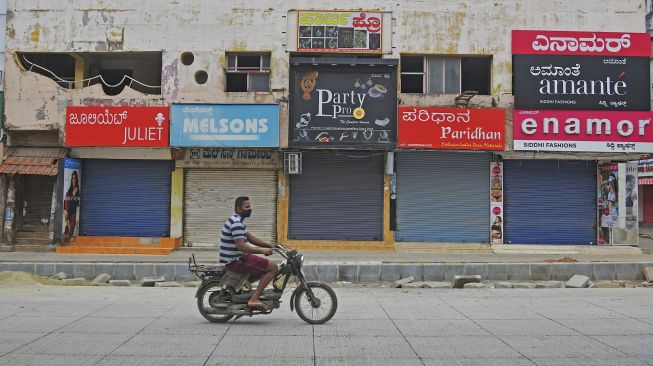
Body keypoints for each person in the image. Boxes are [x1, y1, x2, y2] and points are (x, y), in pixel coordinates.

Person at [220, 196, 277, 311]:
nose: (250, 209)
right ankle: (254, 299)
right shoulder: (236, 223)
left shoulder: (238, 220)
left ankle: (243, 286)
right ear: (239, 209)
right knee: (273, 268)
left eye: (250, 207)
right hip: (236, 260)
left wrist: (270, 245)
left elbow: (250, 238)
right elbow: (242, 247)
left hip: (239, 258)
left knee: (264, 271)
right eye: (247, 207)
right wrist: (263, 251)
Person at [63, 170, 80, 240]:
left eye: (75, 178)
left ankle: (70, 236)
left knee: (73, 224)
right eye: (73, 178)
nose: (74, 180)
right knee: (66, 225)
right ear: (71, 179)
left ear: (76, 179)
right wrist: (65, 210)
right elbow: (66, 201)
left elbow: (77, 202)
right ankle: (66, 236)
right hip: (68, 209)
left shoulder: (78, 190)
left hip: (73, 210)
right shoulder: (69, 191)